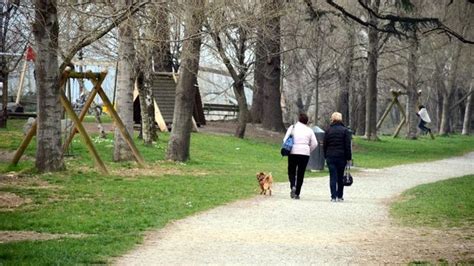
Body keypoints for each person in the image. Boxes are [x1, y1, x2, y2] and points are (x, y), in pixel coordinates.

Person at [282, 113, 318, 200]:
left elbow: (285, 139)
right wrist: (308, 150)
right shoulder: (309, 130)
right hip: (304, 153)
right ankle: (297, 192)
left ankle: (293, 186)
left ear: (298, 119)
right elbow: (315, 143)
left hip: (293, 152)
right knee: (301, 173)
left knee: (292, 170)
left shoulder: (292, 127)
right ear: (307, 121)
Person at [323, 112, 352, 202]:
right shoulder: (345, 131)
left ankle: (333, 196)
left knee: (332, 176)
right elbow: (347, 145)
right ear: (341, 119)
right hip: (341, 156)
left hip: (330, 156)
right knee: (340, 176)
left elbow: (325, 144)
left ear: (332, 119)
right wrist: (348, 157)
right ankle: (340, 196)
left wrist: (325, 155)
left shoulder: (328, 130)